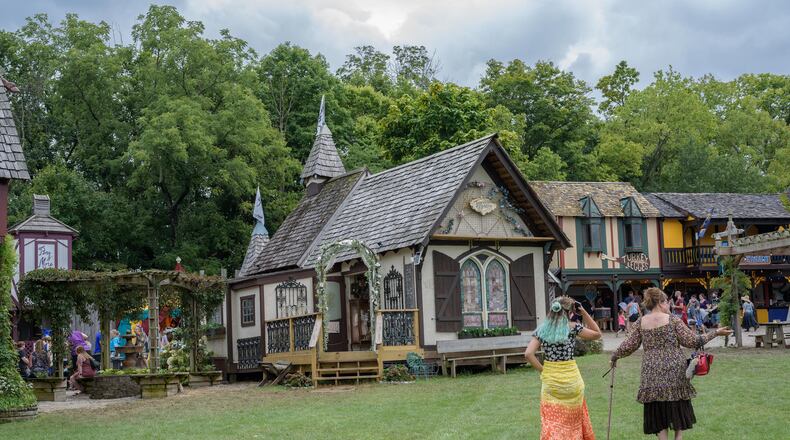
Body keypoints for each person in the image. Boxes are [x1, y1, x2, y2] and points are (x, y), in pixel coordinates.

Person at [612, 287, 733, 440]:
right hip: (674, 370)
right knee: (677, 416)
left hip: (651, 372)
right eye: (667, 303)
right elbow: (693, 341)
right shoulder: (673, 320)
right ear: (661, 303)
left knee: (658, 413)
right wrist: (716, 332)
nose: (669, 306)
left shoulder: (641, 322)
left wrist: (615, 356)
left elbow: (629, 345)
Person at [524, 296, 601, 439]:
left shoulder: (542, 329)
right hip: (572, 382)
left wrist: (543, 370)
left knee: (552, 423)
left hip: (551, 382)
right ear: (570, 311)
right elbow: (597, 334)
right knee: (573, 423)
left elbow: (528, 354)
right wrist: (583, 312)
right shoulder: (572, 328)